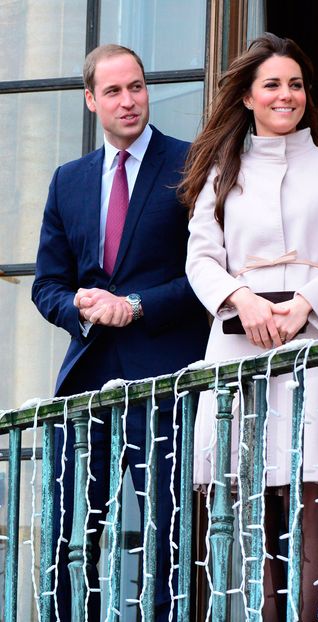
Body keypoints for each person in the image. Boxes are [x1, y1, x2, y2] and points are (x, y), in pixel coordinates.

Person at [180, 33, 318, 621]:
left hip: (315, 344)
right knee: (243, 496)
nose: (285, 95)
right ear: (247, 96)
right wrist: (245, 300)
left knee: (312, 495)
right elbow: (200, 259)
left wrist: (302, 306)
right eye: (272, 84)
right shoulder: (220, 173)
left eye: (295, 84)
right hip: (238, 350)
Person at [31, 44, 209, 621]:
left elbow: (206, 277)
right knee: (67, 542)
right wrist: (81, 308)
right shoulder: (68, 181)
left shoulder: (190, 165)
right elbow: (46, 285)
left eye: (136, 87)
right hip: (85, 391)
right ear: (90, 101)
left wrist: (132, 306)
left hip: (167, 388)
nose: (129, 100)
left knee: (170, 545)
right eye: (113, 91)